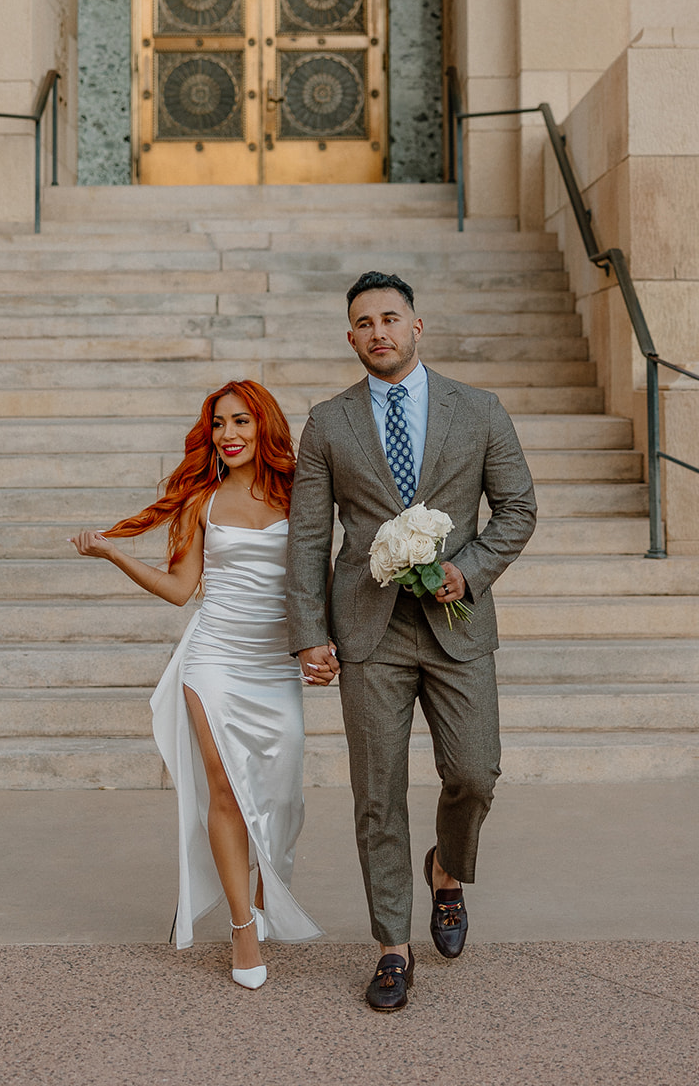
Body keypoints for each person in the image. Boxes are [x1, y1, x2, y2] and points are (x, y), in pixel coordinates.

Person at [286, 270, 537, 1011]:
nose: (378, 333)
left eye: (389, 319)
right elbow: (307, 536)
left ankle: (447, 871)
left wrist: (471, 569)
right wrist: (307, 633)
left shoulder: (480, 411)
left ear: (416, 326)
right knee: (377, 794)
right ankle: (392, 947)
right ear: (351, 336)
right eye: (363, 324)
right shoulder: (328, 423)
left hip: (456, 625)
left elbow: (517, 509)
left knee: (474, 773)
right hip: (368, 630)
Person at [72, 380, 321, 989]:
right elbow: (181, 589)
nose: (228, 435)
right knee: (227, 792)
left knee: (282, 798)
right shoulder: (201, 503)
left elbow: (321, 574)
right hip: (214, 661)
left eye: (241, 421)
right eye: (218, 425)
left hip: (276, 663)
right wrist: (114, 554)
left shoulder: (302, 494)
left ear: (264, 426)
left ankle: (264, 890)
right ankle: (241, 930)